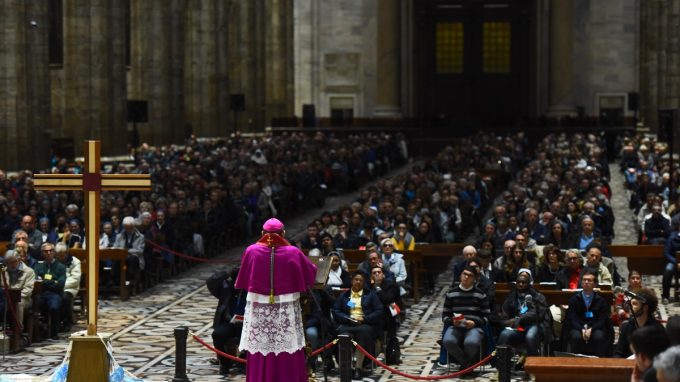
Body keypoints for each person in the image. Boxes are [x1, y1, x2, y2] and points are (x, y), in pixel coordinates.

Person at [235, 218, 317, 382]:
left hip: (260, 311)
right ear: (283, 233)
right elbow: (312, 273)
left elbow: (242, 279)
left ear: (262, 234)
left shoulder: (251, 251)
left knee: (261, 347)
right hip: (284, 309)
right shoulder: (293, 252)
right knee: (287, 347)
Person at [332, 271, 384, 379]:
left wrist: (365, 318)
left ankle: (358, 368)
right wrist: (347, 319)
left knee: (364, 333)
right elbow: (336, 311)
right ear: (352, 281)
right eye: (356, 279)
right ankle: (347, 367)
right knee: (342, 334)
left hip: (364, 324)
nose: (358, 282)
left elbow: (379, 311)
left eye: (361, 280)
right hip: (348, 323)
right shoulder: (344, 296)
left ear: (364, 283)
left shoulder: (370, 295)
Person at [442, 265, 490, 374]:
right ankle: (467, 365)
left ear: (474, 279)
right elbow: (444, 316)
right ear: (460, 276)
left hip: (474, 327)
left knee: (471, 342)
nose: (466, 277)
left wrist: (474, 322)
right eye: (464, 274)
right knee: (448, 341)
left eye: (470, 275)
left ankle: (464, 367)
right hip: (456, 326)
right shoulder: (451, 293)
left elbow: (487, 317)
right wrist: (452, 321)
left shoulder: (480, 294)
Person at [496, 269, 551, 364]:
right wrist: (507, 322)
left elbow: (537, 314)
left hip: (534, 325)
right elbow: (504, 316)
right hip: (517, 328)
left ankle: (532, 366)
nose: (521, 284)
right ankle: (501, 368)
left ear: (529, 284)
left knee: (530, 337)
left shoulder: (537, 296)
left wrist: (519, 319)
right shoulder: (511, 297)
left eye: (524, 282)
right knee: (504, 335)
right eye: (519, 282)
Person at [207, 267, 246, 375]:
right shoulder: (227, 288)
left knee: (249, 335)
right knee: (217, 334)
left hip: (247, 324)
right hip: (230, 322)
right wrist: (226, 273)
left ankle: (244, 362)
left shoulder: (249, 290)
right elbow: (211, 281)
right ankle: (225, 362)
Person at [565, 271, 611, 357]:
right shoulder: (574, 299)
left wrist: (591, 329)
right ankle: (576, 364)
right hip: (578, 327)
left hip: (595, 327)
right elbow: (572, 318)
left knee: (599, 336)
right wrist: (581, 329)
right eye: (584, 280)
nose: (586, 282)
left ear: (595, 284)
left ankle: (599, 363)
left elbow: (602, 319)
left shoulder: (601, 301)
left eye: (589, 280)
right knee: (575, 337)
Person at [613, 288, 662, 359]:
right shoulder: (626, 326)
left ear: (645, 308)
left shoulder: (657, 330)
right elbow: (619, 352)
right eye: (630, 303)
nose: (630, 306)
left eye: (634, 304)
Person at [33, 242, 67, 340]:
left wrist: (44, 281)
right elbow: (36, 281)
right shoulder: (38, 266)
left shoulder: (61, 267)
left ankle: (54, 332)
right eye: (45, 251)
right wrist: (53, 281)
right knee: (34, 305)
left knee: (54, 307)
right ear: (42, 253)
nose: (48, 253)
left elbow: (60, 284)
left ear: (54, 252)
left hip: (55, 294)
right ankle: (38, 332)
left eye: (50, 251)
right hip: (41, 293)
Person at [55, 242, 81, 332]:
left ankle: (67, 322)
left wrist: (61, 285)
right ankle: (55, 322)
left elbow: (75, 278)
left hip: (70, 287)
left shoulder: (75, 261)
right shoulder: (54, 261)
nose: (61, 257)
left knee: (65, 298)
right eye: (59, 255)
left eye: (62, 255)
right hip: (56, 286)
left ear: (67, 253)